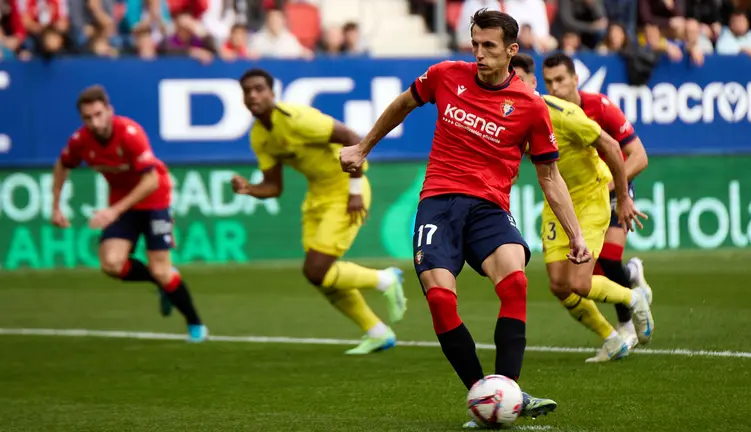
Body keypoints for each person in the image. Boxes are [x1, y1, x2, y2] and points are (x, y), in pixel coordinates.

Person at [340, 8, 587, 427]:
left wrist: (575, 234)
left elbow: (549, 175)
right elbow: (402, 104)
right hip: (438, 201)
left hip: (490, 207)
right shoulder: (445, 75)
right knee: (439, 298)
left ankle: (507, 389)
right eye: (474, 44)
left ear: (511, 51)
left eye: (488, 46)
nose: (479, 54)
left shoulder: (530, 107)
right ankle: (481, 392)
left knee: (516, 283)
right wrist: (362, 148)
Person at [232, 68, 406, 355]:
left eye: (259, 89)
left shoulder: (298, 118)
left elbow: (351, 136)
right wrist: (248, 188)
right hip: (317, 196)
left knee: (317, 269)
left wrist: (354, 191)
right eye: (247, 91)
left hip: (347, 190)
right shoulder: (259, 136)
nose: (253, 95)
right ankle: (377, 332)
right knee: (318, 275)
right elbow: (274, 187)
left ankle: (385, 279)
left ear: (272, 93)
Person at [510, 53, 654, 363]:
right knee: (560, 285)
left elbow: (625, 151)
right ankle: (612, 338)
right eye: (552, 81)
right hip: (560, 202)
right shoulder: (511, 116)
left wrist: (624, 196)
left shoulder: (572, 111)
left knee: (589, 275)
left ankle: (632, 305)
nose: (556, 86)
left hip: (597, 193)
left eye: (560, 79)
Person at [51, 85, 207, 342]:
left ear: (109, 110)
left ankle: (196, 325)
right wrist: (55, 206)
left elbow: (151, 181)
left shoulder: (130, 133)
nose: (95, 122)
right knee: (111, 265)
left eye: (99, 114)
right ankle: (162, 286)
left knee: (162, 270)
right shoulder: (81, 141)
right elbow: (62, 164)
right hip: (122, 202)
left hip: (155, 199)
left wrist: (114, 211)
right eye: (88, 118)